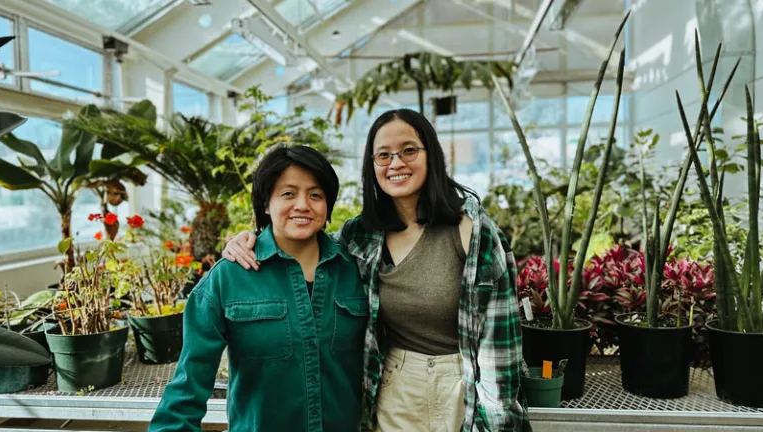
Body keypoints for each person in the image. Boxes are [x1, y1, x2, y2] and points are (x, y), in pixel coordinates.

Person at [222, 109, 531, 432]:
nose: (396, 163)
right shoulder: (361, 236)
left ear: (432, 156)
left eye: (409, 150)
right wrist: (250, 239)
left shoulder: (473, 233)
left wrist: (499, 421)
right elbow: (303, 242)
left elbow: (500, 347)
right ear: (371, 165)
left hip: (464, 389)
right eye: (383, 155)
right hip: (395, 389)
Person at [149, 145, 367, 432]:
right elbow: (189, 384)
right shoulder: (228, 278)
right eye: (288, 194)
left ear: (327, 205)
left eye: (315, 194)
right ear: (265, 203)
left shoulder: (355, 270)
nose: (303, 205)